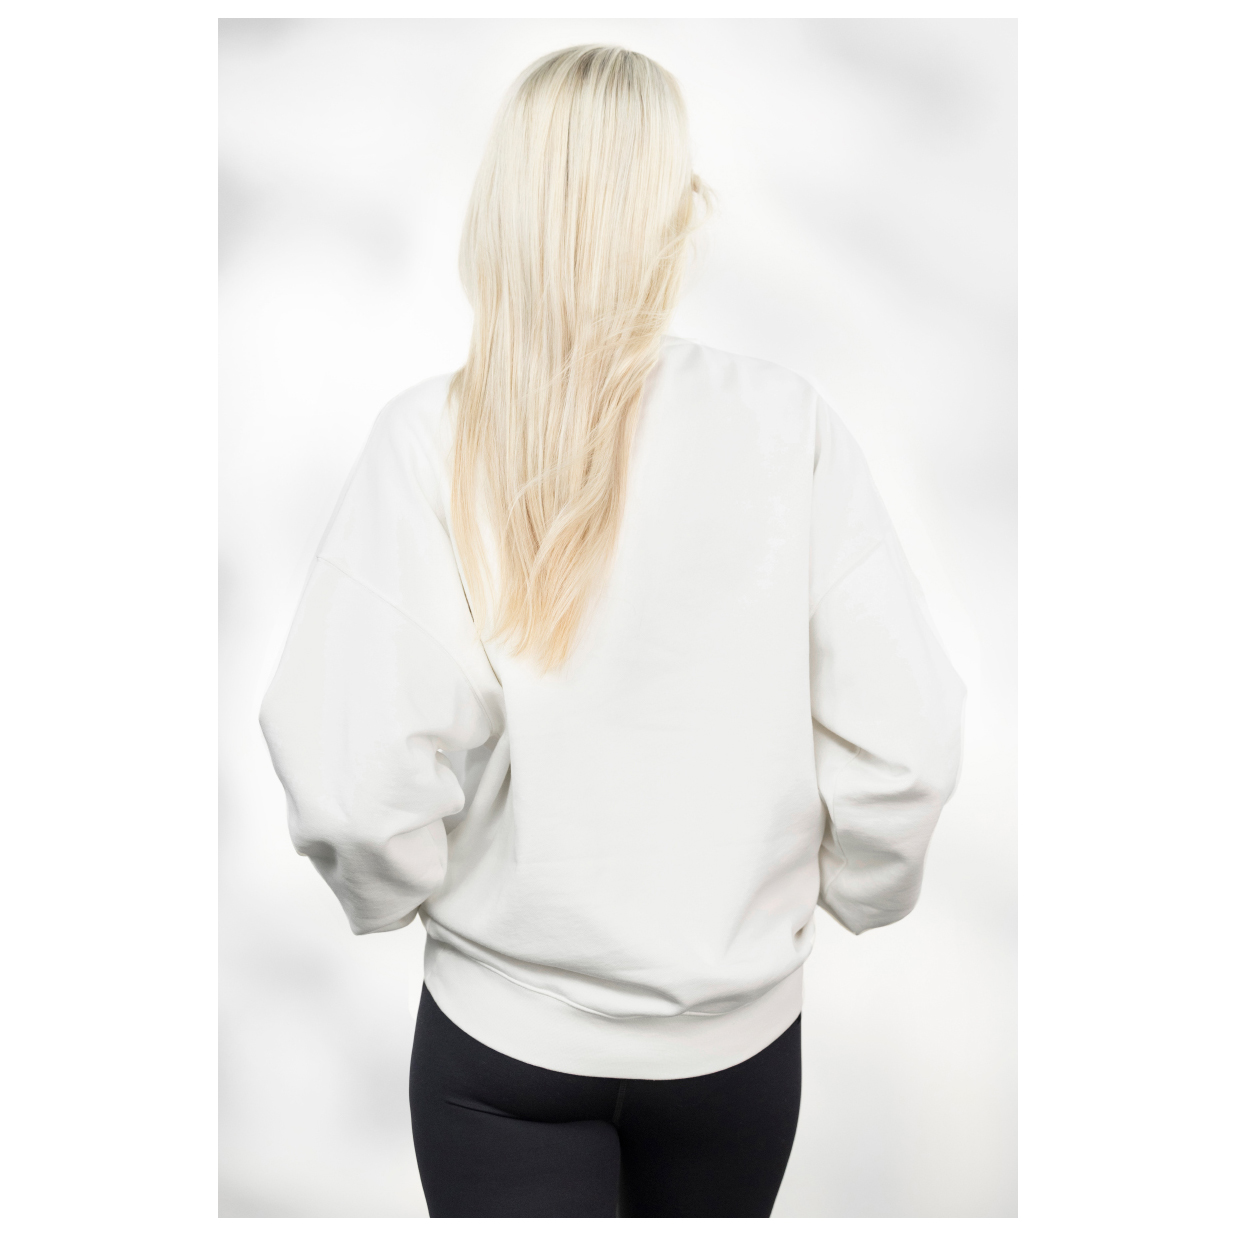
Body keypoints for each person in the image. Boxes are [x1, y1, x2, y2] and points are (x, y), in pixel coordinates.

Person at [259, 43, 966, 1219]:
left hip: (502, 1049)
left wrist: (406, 895)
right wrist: (845, 895)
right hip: (734, 1055)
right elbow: (909, 750)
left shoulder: (430, 441)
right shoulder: (787, 428)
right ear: (671, 216)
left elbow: (349, 787)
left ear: (504, 206)